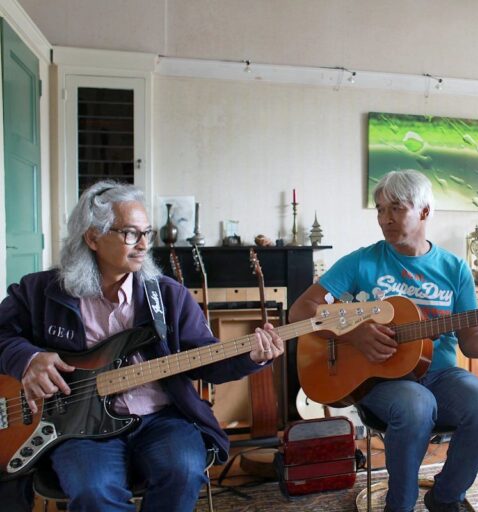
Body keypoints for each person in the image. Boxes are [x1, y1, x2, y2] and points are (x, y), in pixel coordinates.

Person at [0, 181, 284, 511]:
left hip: (161, 419)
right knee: (94, 490)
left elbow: (206, 360)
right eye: (131, 234)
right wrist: (27, 358)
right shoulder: (42, 292)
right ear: (93, 238)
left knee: (185, 470)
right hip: (77, 429)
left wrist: (252, 356)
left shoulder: (167, 296)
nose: (144, 245)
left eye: (147, 233)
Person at [289, 170, 478, 512]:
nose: (385, 219)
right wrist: (354, 332)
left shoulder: (454, 269)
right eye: (381, 210)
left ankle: (445, 497)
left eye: (395, 209)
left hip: (441, 374)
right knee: (416, 404)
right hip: (379, 379)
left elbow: (471, 343)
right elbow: (301, 310)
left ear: (424, 212)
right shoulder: (362, 260)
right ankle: (400, 506)